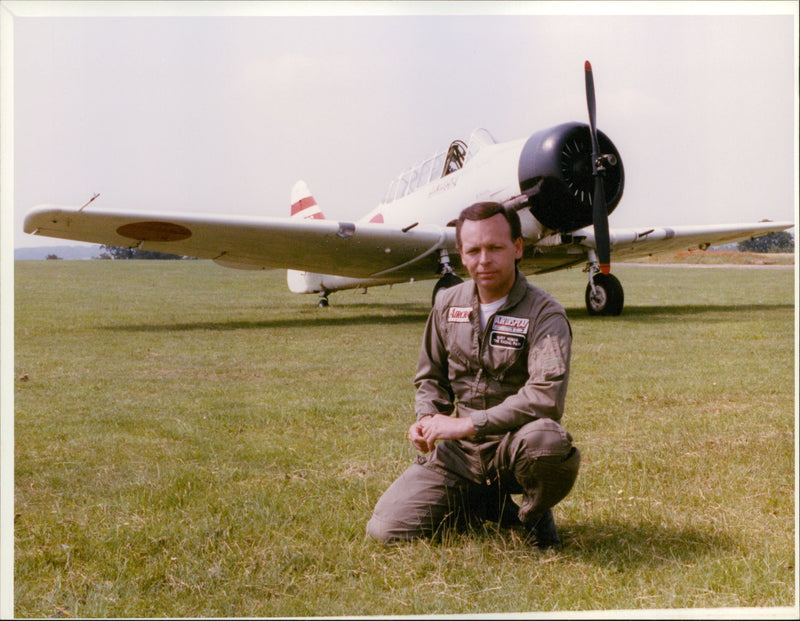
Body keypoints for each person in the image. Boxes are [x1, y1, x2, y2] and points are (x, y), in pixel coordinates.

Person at [366, 202, 580, 548]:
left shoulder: (545, 313)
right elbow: (430, 377)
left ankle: (532, 514)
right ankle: (483, 503)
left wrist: (469, 423)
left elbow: (546, 396)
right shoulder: (447, 303)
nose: (484, 260)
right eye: (474, 250)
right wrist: (427, 418)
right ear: (462, 255)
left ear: (517, 248)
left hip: (512, 447)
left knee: (549, 443)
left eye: (495, 247)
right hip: (458, 454)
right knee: (385, 529)